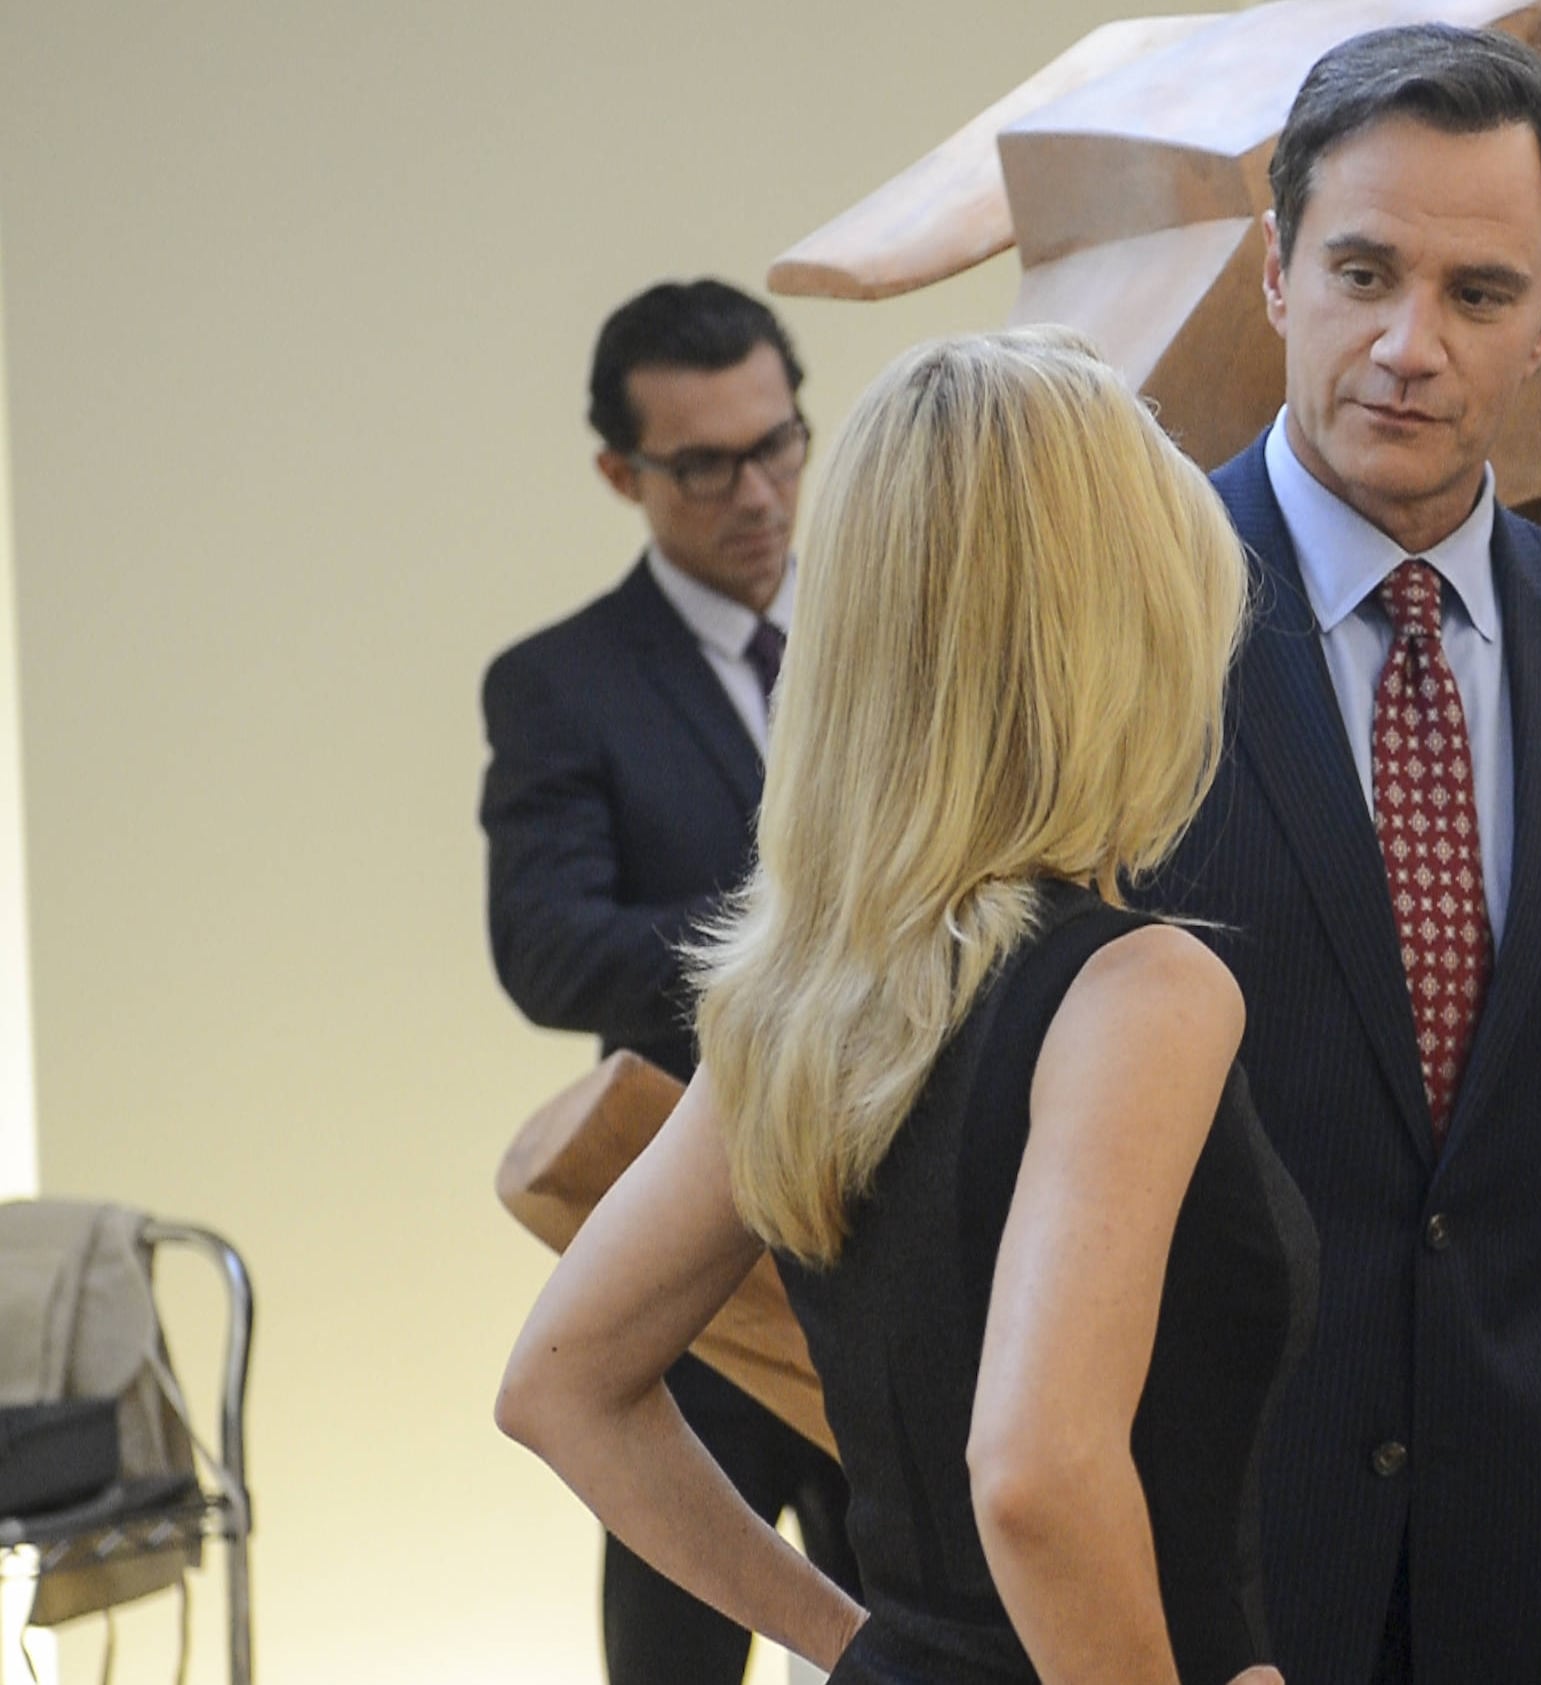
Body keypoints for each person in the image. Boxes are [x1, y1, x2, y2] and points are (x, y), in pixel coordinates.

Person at [498, 328, 1311, 1685]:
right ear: (1127, 626)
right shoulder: (1141, 992)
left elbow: (559, 1384)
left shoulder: (806, 1001)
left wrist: (863, 1649)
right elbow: (1037, 1473)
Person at [1141, 23, 1541, 1685]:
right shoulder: (1112, 635)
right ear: (1277, 274)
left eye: (1480, 293)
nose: (1411, 346)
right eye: (1362, 273)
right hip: (1215, 1578)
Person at [479, 278, 855, 1682]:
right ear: (619, 472)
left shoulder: (897, 631)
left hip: (896, 1236)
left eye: (778, 444)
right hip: (693, 1260)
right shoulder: (560, 682)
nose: (755, 493)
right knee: (674, 1652)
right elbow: (548, 949)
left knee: (928, 1635)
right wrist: (813, 932)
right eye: (703, 465)